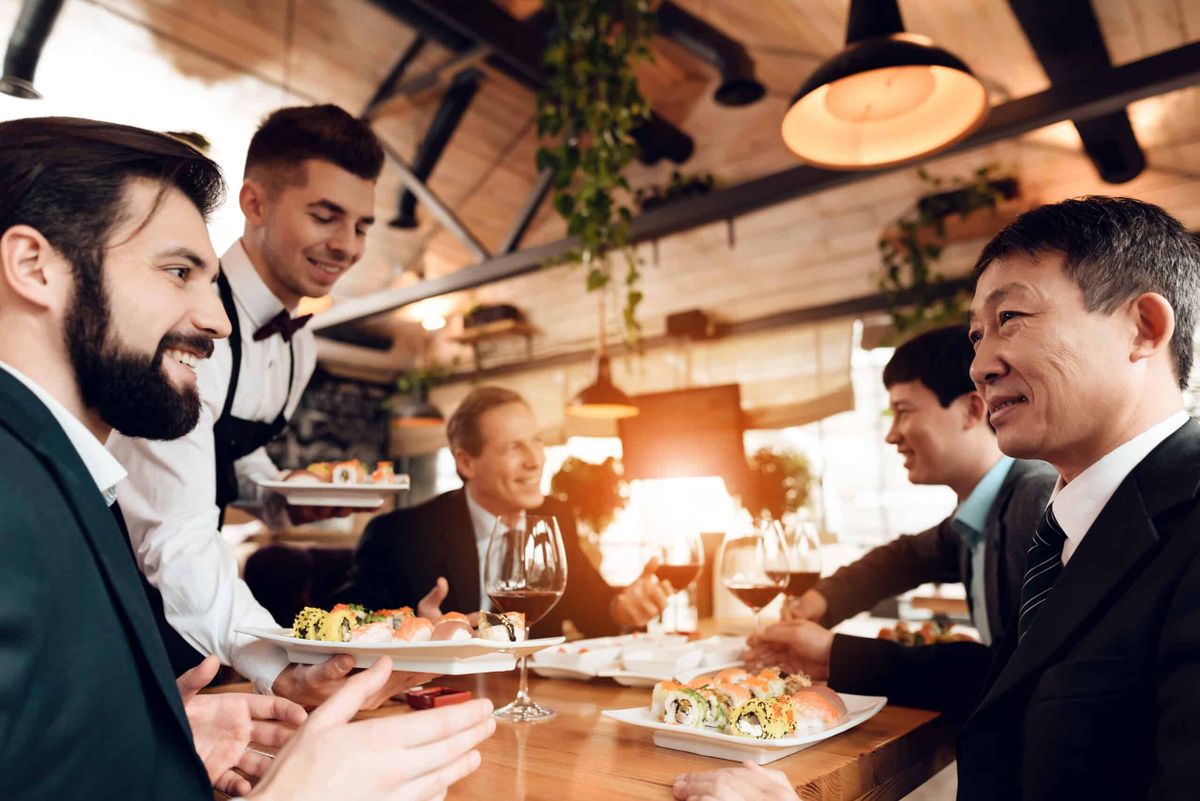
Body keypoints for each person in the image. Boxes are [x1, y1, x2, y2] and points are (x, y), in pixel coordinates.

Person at [0, 115, 494, 801]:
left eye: (362, 225)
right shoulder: (20, 502)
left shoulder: (71, 478)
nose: (218, 321)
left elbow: (40, 751)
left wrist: (152, 738)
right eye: (177, 271)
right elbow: (173, 532)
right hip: (178, 611)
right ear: (32, 266)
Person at [714, 196, 1200, 801]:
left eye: (1012, 318)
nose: (978, 365)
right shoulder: (1069, 523)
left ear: (1144, 329)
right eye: (977, 335)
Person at [107, 104, 427, 706]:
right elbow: (173, 528)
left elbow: (225, 456)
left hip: (197, 611)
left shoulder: (299, 347)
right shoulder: (180, 323)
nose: (346, 246)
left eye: (361, 226)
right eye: (325, 216)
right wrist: (277, 666)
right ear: (253, 204)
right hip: (117, 602)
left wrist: (283, 497)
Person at [748, 326, 1055, 717]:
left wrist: (833, 654)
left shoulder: (1034, 501)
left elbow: (1007, 670)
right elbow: (904, 558)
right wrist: (820, 601)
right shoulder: (980, 514)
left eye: (904, 411)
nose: (892, 435)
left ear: (973, 410)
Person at [333, 386, 671, 636]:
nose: (535, 459)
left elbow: (591, 606)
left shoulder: (556, 517)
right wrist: (412, 630)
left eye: (536, 441)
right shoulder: (400, 535)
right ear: (466, 462)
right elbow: (343, 621)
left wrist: (623, 608)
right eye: (514, 447)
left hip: (536, 704)